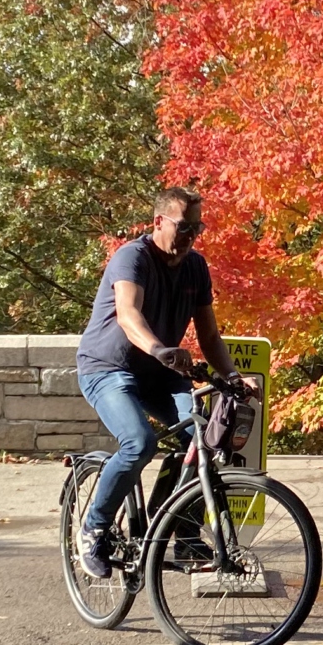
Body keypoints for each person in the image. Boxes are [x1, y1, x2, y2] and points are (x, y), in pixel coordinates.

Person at [74, 187, 246, 580]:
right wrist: (159, 348)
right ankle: (94, 529)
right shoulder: (132, 257)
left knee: (203, 439)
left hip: (160, 374)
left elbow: (209, 336)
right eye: (184, 227)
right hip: (107, 367)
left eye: (197, 228)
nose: (191, 237)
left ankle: (176, 529)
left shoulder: (195, 268)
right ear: (159, 222)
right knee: (140, 442)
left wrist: (232, 377)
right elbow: (128, 315)